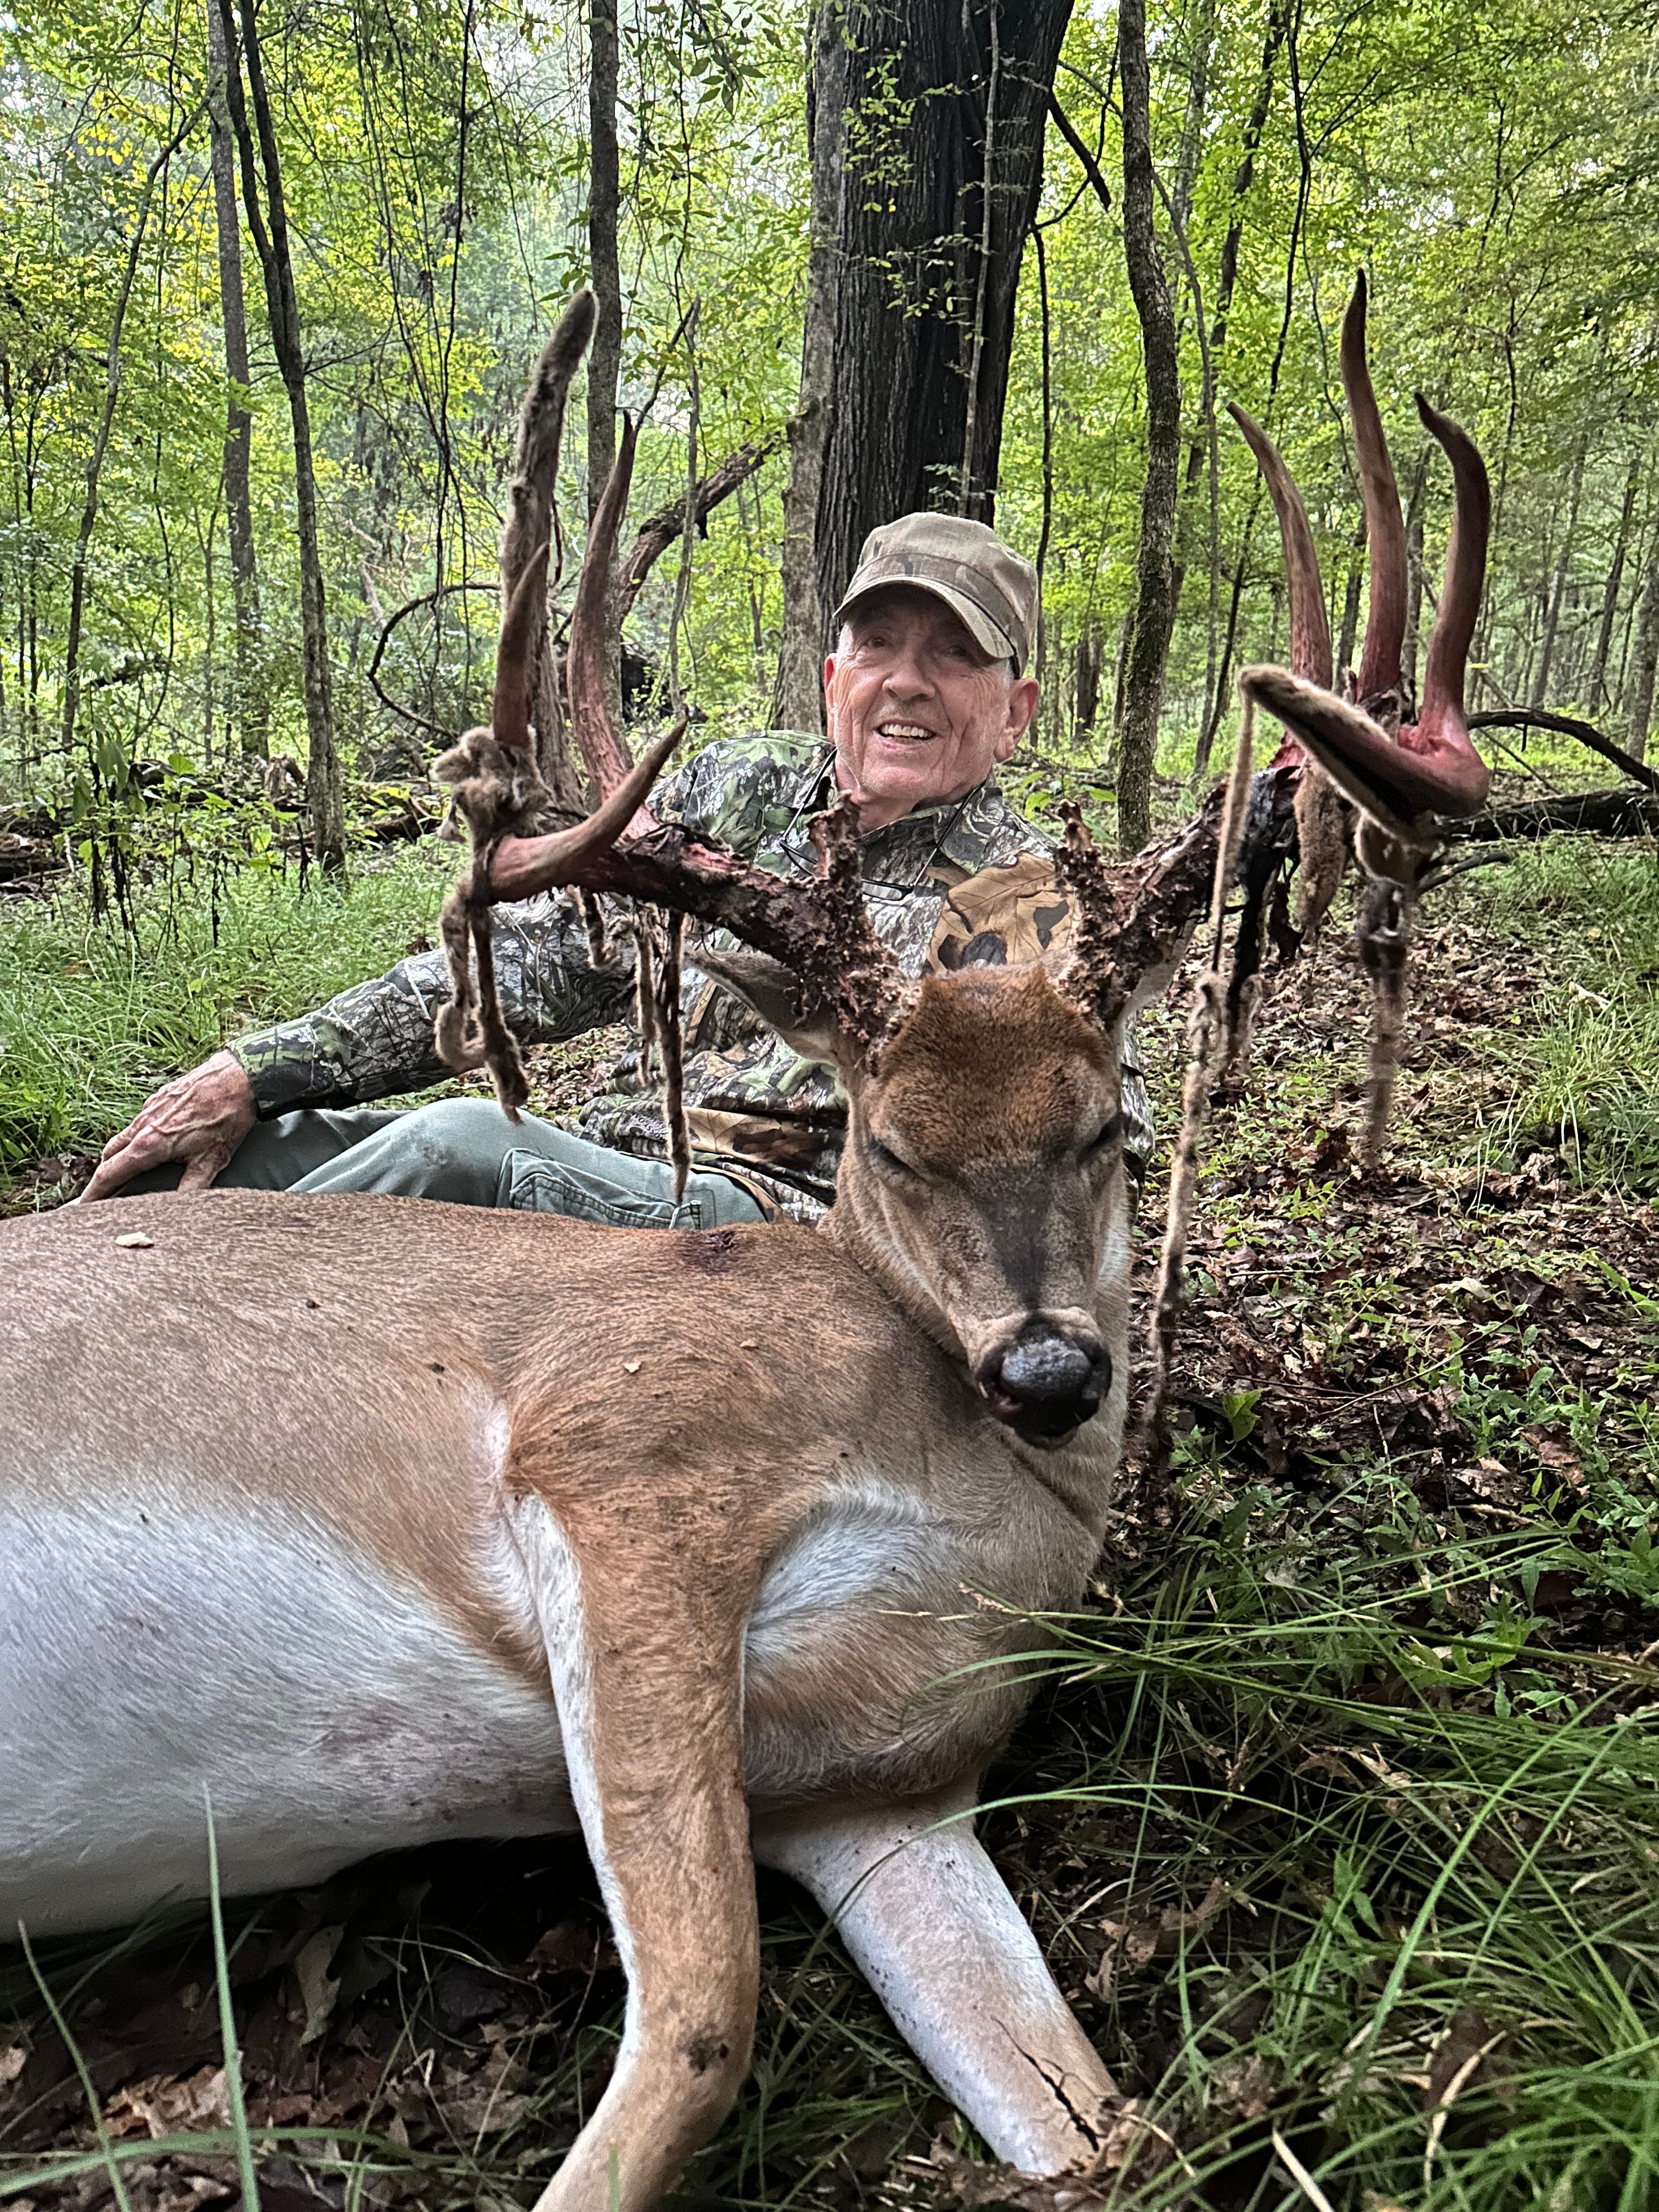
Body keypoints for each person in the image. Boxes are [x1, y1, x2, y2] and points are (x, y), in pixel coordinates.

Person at [86, 514, 1153, 1227]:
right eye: (880, 646)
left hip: (784, 1237)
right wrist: (257, 1069)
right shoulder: (735, 791)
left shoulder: (1043, 900)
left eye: (956, 655)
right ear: (835, 679)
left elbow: (1098, 1167)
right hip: (623, 1165)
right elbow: (522, 970)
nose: (907, 684)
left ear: (1016, 712)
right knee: (257, 1147)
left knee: (456, 1153)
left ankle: (172, 1373)